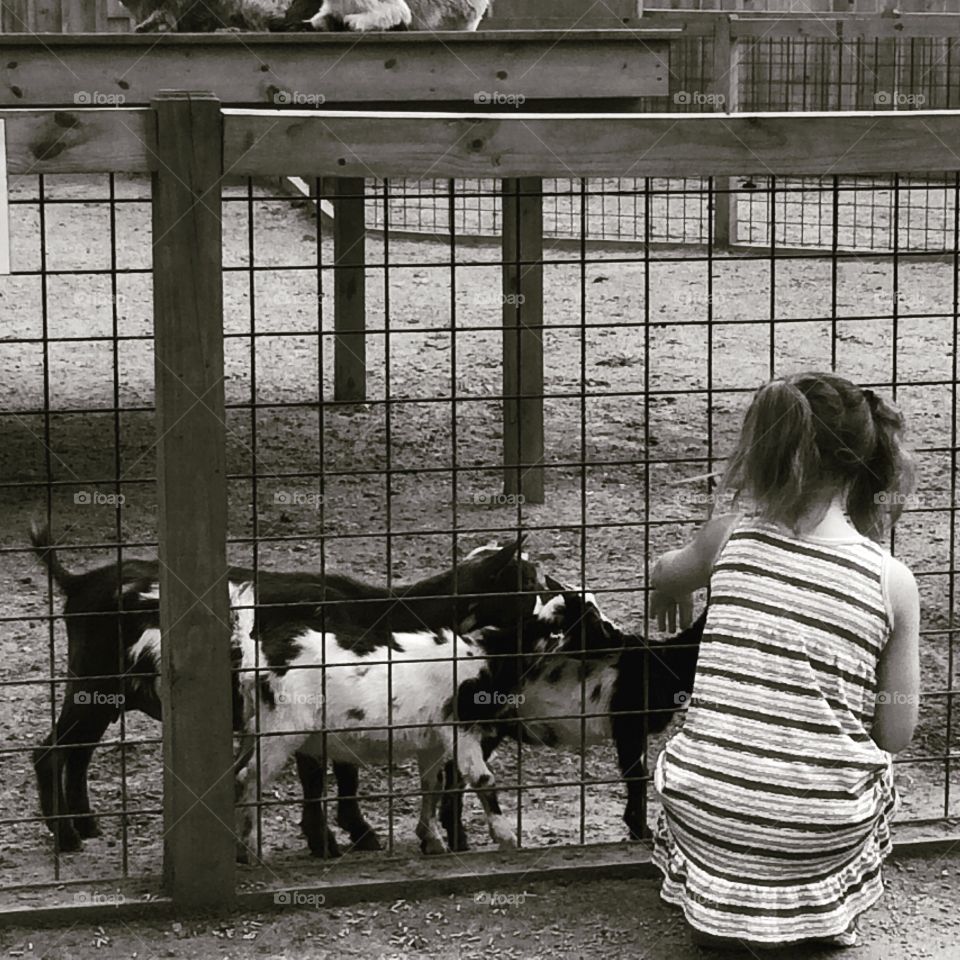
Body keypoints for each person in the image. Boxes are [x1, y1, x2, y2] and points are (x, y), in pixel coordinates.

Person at [648, 372, 920, 950]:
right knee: (878, 773)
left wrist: (671, 590)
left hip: (705, 814)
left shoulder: (729, 538)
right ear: (867, 462)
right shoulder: (891, 581)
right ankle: (816, 913)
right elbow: (896, 732)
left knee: (700, 765)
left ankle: (719, 906)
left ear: (767, 453)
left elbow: (668, 571)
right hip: (820, 830)